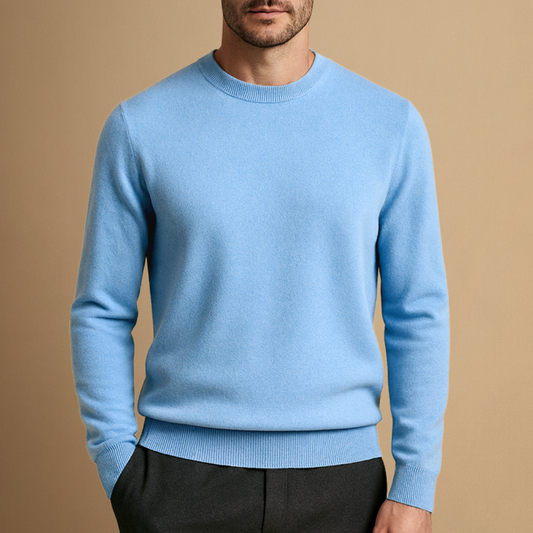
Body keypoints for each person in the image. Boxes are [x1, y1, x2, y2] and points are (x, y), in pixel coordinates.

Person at [70, 1, 449, 532]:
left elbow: (417, 311)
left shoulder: (390, 125)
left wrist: (416, 483)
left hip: (344, 486)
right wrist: (118, 463)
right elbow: (102, 308)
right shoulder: (140, 125)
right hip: (178, 481)